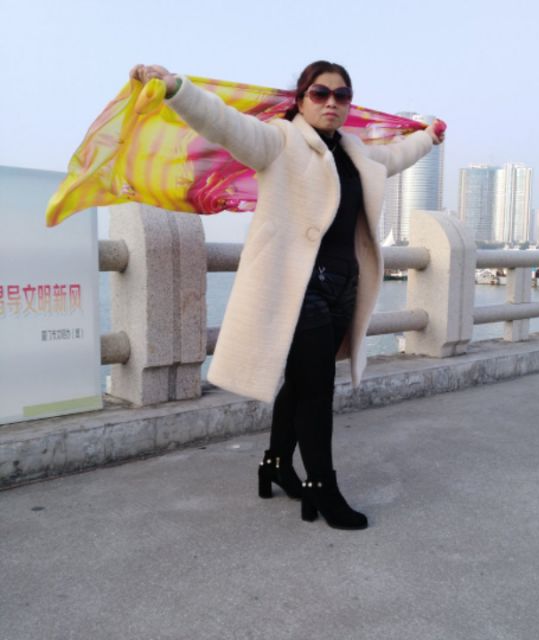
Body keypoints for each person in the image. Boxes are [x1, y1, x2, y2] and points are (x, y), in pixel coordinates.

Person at [130, 61, 445, 530]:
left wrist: (429, 138)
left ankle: (275, 464)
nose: (332, 102)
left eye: (342, 95)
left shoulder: (357, 152)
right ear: (300, 100)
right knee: (317, 390)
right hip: (300, 289)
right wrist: (177, 88)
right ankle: (322, 487)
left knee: (300, 383)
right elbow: (224, 123)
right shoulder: (278, 142)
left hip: (344, 287)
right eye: (320, 93)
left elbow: (398, 155)